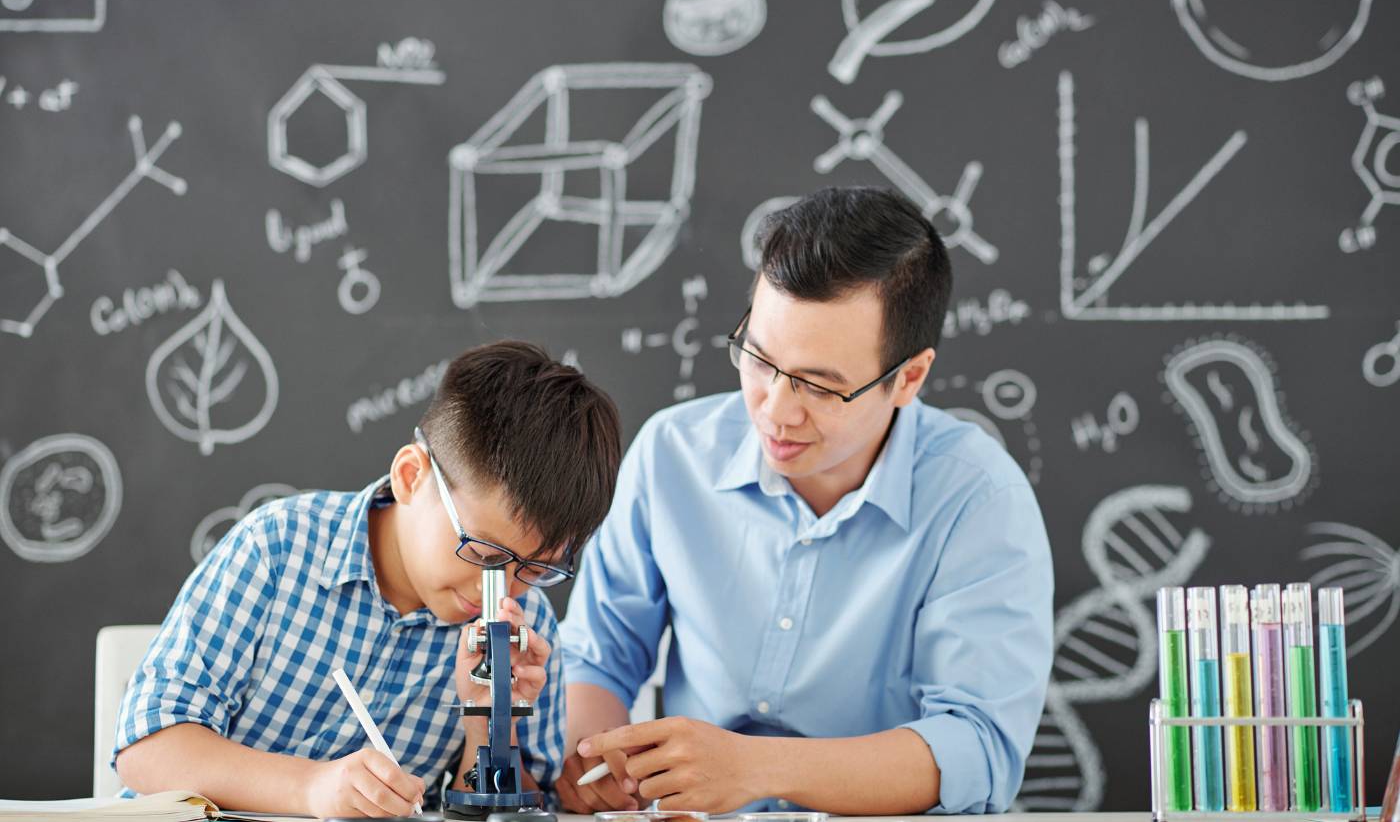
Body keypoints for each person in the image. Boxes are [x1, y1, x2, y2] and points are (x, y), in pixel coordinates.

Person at [557, 186, 1054, 815]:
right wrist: (590, 755)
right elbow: (598, 656)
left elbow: (978, 751)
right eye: (759, 359)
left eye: (819, 387)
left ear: (909, 377)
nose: (775, 410)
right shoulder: (672, 454)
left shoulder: (980, 500)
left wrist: (756, 768)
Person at [114, 341, 622, 818]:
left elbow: (503, 809)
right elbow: (147, 749)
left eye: (535, 569)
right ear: (410, 477)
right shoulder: (279, 548)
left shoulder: (524, 631)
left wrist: (488, 723)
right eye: (485, 552)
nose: (500, 590)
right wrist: (312, 788)